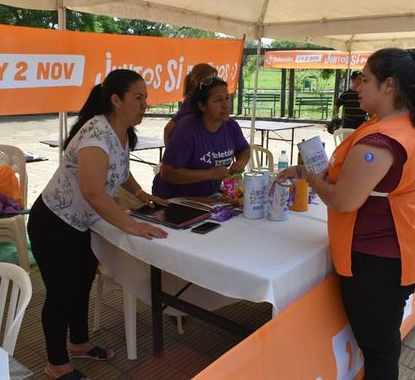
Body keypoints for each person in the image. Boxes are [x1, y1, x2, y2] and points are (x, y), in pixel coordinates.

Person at [279, 48, 415, 379]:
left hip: (377, 263)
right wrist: (307, 171)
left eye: (365, 79)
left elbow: (343, 200)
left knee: (379, 349)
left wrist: (313, 178)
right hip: (395, 253)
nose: (357, 87)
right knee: (381, 343)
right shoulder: (400, 126)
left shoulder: (382, 140)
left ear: (389, 85)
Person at [27, 69, 168, 380]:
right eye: (138, 97)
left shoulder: (122, 131)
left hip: (83, 224)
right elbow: (92, 191)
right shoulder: (96, 133)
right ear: (116, 100)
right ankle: (56, 364)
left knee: (82, 285)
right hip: (54, 222)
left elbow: (119, 170)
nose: (146, 104)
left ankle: (79, 342)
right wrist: (132, 225)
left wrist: (142, 194)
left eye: (146, 97)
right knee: (61, 292)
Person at [152, 76, 250, 198]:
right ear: (202, 106)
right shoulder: (186, 130)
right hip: (174, 199)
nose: (226, 105)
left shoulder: (231, 126)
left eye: (227, 98)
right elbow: (167, 173)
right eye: (218, 100)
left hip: (207, 197)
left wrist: (241, 162)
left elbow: (244, 149)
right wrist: (208, 174)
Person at [163, 63, 219, 145]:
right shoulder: (191, 101)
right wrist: (170, 152)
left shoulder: (201, 99)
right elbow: (168, 128)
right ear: (198, 80)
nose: (214, 85)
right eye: (210, 81)